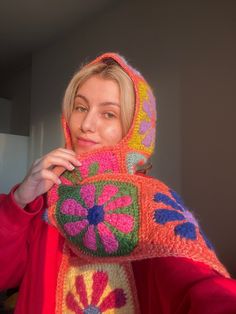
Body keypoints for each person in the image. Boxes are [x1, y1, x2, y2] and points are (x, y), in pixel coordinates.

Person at [0, 52, 236, 314]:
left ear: (134, 128)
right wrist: (19, 202)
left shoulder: (148, 204)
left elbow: (198, 284)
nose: (86, 125)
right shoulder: (44, 197)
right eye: (80, 107)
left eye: (109, 114)